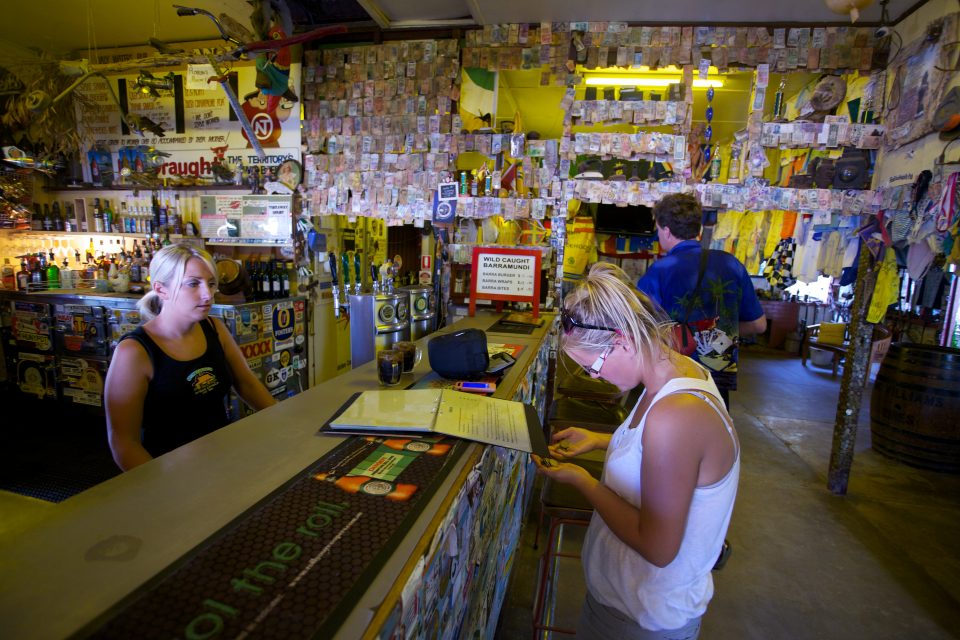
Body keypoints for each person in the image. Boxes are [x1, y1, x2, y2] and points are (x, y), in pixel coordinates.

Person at [535, 262, 739, 639]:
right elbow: (667, 462)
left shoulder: (676, 415)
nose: (594, 376)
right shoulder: (673, 371)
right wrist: (601, 440)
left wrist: (583, 481)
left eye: (592, 365)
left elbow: (658, 547)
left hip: (642, 618)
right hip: (626, 603)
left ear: (623, 340)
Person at [104, 243, 277, 470]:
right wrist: (158, 489)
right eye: (193, 284)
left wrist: (283, 422)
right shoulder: (134, 352)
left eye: (211, 283)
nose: (208, 294)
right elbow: (124, 443)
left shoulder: (214, 328)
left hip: (223, 462)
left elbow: (247, 385)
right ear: (161, 289)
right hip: (169, 474)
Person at [637, 193, 766, 405]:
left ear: (666, 230)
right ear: (697, 229)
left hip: (672, 377)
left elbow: (640, 329)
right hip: (717, 376)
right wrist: (714, 331)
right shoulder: (731, 265)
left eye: (658, 230)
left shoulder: (659, 271)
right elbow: (758, 325)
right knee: (713, 432)